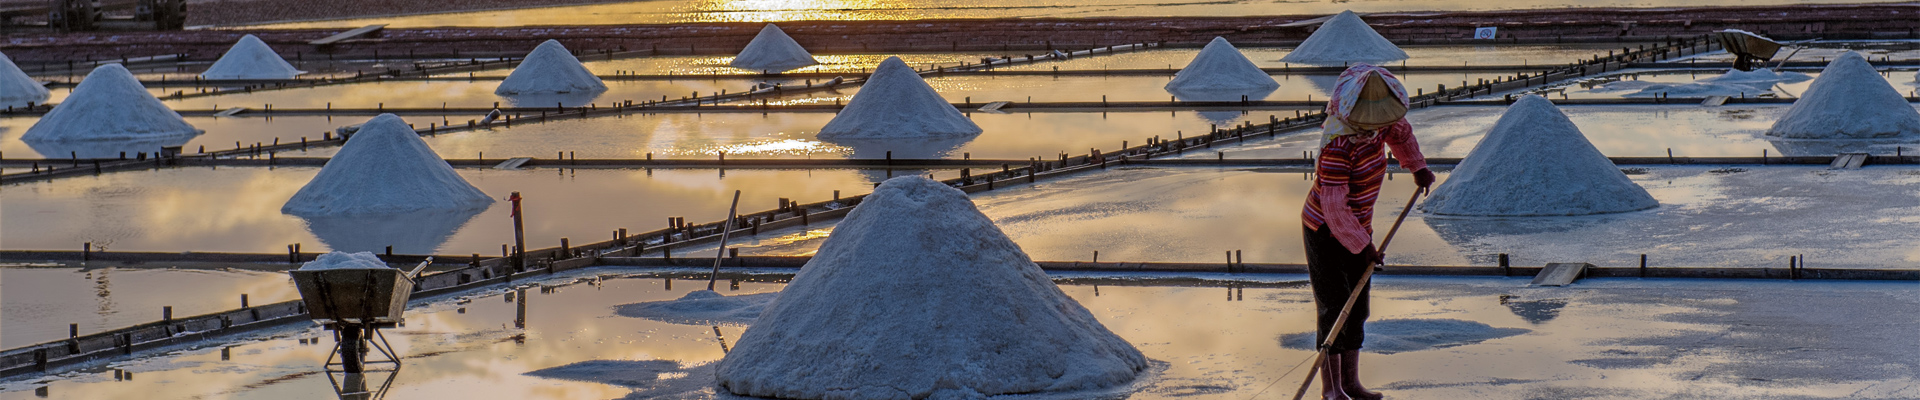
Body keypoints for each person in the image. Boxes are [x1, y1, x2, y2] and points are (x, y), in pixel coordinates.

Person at [1300, 64, 1433, 400]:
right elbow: (1334, 208)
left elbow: (1401, 134)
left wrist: (1418, 167)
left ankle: (1351, 384)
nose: (1381, 126)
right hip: (1326, 230)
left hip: (1358, 228)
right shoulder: (1338, 145)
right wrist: (1364, 247)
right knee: (1334, 308)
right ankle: (1332, 390)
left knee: (1357, 308)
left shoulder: (1377, 125)